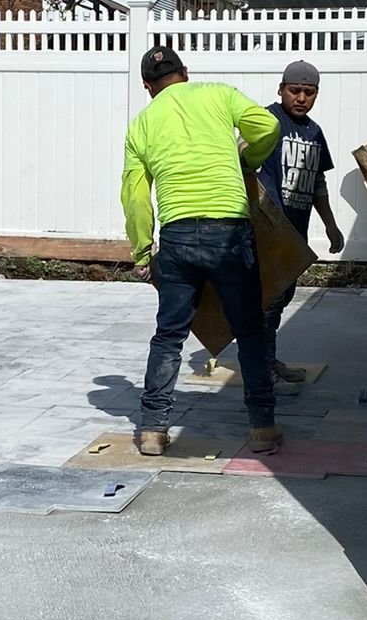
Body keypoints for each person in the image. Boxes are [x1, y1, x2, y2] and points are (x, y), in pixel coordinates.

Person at [121, 44, 284, 457]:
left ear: (147, 86)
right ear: (186, 72)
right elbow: (267, 127)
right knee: (248, 330)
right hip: (229, 230)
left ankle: (154, 429)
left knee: (169, 335)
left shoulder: (141, 123)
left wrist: (143, 252)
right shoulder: (219, 94)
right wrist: (249, 162)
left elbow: (136, 197)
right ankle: (262, 427)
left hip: (177, 234)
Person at [257, 59, 343, 383]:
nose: (301, 97)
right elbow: (240, 160)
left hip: (296, 231)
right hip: (268, 231)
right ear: (281, 90)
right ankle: (261, 367)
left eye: (309, 92)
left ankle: (266, 359)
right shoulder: (266, 120)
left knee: (282, 298)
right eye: (295, 90)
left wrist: (331, 224)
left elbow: (317, 182)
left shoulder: (314, 132)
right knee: (268, 300)